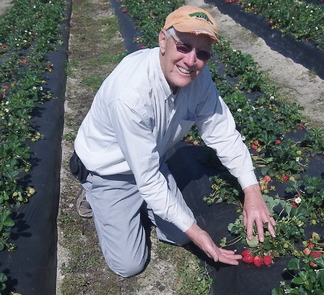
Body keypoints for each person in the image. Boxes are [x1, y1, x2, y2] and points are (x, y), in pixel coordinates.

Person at [72, 5, 276, 277]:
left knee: (180, 235)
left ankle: (142, 207)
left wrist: (252, 192)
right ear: (162, 41)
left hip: (152, 161)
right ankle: (94, 192)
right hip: (112, 171)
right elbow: (147, 178)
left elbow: (223, 133)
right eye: (183, 46)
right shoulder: (131, 95)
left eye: (202, 53)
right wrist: (199, 232)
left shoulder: (200, 81)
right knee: (129, 265)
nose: (191, 61)